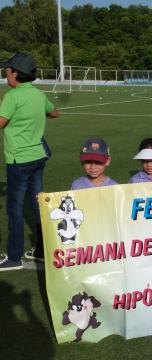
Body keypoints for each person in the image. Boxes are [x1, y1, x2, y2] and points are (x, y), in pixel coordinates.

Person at [0, 52, 59, 270]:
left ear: (16, 73)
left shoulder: (12, 97)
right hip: (38, 157)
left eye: (7, 70)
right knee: (37, 203)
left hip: (19, 159)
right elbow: (55, 113)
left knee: (14, 208)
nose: (5, 73)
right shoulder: (37, 94)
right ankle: (43, 250)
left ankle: (14, 258)